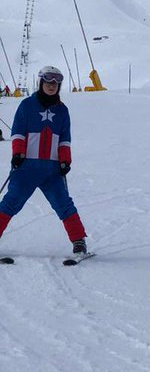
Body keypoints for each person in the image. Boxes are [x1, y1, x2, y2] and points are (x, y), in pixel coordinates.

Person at [0, 65, 88, 256]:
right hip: (26, 167)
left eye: (55, 83)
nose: (51, 86)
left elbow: (65, 138)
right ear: (41, 82)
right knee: (10, 203)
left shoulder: (62, 111)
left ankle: (79, 241)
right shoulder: (27, 105)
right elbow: (17, 133)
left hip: (51, 169)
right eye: (48, 82)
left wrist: (65, 161)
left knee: (63, 203)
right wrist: (17, 154)